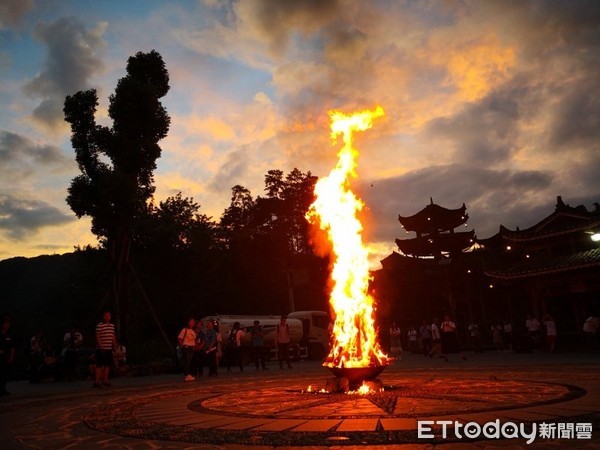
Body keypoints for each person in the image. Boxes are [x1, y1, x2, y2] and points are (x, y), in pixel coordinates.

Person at [94, 311, 117, 388]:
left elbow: (113, 337)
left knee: (107, 365)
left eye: (109, 316)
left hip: (109, 348)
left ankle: (105, 381)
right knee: (99, 365)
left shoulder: (112, 326)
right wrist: (100, 346)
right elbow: (97, 337)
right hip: (101, 349)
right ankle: (96, 382)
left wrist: (115, 346)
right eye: (106, 316)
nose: (107, 317)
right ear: (103, 317)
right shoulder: (99, 325)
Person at [0, 317, 15, 395]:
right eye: (6, 323)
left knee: (4, 373)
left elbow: (12, 346)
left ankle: (3, 389)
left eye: (8, 324)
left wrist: (11, 356)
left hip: (5, 356)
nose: (7, 325)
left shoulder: (9, 335)